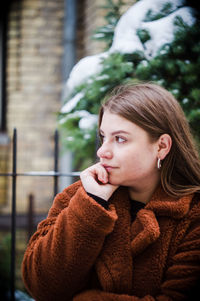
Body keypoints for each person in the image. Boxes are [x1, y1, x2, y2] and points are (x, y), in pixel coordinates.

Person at [22, 82, 200, 301]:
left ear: (161, 146)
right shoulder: (79, 197)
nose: (102, 151)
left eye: (120, 139)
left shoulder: (193, 215)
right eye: (103, 137)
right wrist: (92, 203)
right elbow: (41, 286)